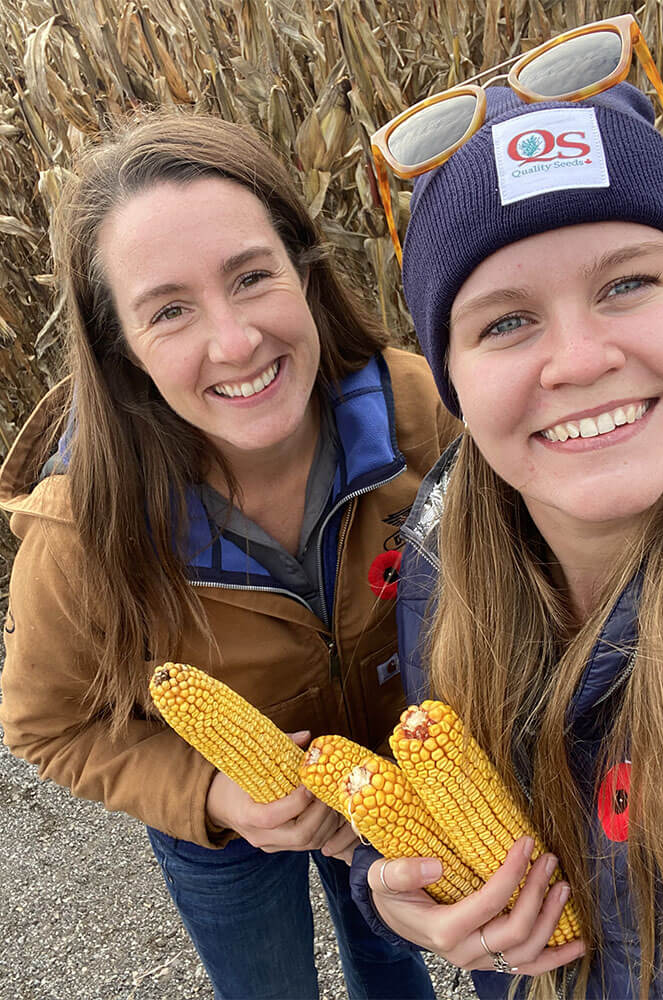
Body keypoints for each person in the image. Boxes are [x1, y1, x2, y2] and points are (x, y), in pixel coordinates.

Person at [0, 111, 459, 1000]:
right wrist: (213, 793)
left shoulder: (416, 409)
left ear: (304, 268)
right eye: (169, 310)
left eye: (252, 276)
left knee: (391, 956)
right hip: (222, 825)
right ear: (121, 350)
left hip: (384, 780)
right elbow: (45, 725)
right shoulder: (79, 537)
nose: (237, 341)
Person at [350, 79, 663, 999]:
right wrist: (413, 895)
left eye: (627, 283)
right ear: (450, 374)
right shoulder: (441, 555)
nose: (578, 361)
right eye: (508, 321)